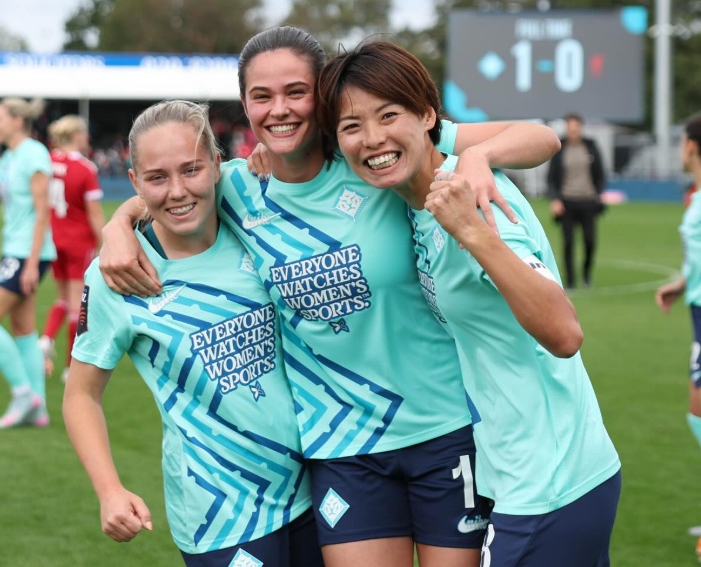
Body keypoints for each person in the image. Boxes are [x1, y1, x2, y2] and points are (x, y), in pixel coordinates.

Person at [98, 27, 560, 567]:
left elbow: (539, 137)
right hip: (342, 447)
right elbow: (172, 187)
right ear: (245, 106)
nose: (279, 109)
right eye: (262, 96)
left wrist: (478, 156)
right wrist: (120, 222)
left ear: (322, 96)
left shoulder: (374, 154)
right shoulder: (236, 188)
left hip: (444, 429)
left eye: (296, 91)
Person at [315, 40, 621, 566]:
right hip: (527, 475)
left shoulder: (473, 196)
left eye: (388, 115)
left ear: (427, 115)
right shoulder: (417, 198)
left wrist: (473, 231)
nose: (373, 138)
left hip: (550, 481)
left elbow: (564, 331)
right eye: (351, 126)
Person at [62, 100, 322, 567]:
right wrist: (109, 490)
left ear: (218, 165)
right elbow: (80, 395)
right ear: (135, 181)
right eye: (157, 177)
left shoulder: (252, 219)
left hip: (315, 483)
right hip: (221, 514)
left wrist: (119, 219)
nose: (178, 191)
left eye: (191, 169)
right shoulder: (119, 275)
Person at [0, 97, 55, 428]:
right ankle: (38, 410)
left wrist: (31, 264)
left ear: (17, 121)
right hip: (17, 251)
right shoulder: (8, 158)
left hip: (27, 254)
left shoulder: (34, 155)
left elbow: (43, 213)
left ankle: (22, 392)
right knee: (23, 329)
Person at [655, 115, 701, 560]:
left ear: (691, 146)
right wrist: (685, 283)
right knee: (696, 414)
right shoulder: (696, 196)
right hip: (697, 312)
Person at [39, 114, 106, 383]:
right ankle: (69, 367)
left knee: (63, 298)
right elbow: (95, 213)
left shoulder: (47, 162)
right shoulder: (85, 168)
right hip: (79, 241)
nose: (87, 137)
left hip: (53, 238)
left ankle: (46, 338)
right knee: (78, 304)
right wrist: (105, 244)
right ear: (76, 135)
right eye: (84, 133)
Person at [547, 113, 606, 289]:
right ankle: (570, 280)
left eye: (576, 128)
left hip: (588, 201)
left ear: (581, 128)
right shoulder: (560, 148)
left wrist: (598, 194)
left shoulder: (590, 147)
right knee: (568, 242)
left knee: (589, 241)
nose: (573, 131)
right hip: (567, 202)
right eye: (570, 128)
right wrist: (555, 199)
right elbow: (551, 177)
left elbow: (600, 173)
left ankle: (586, 274)